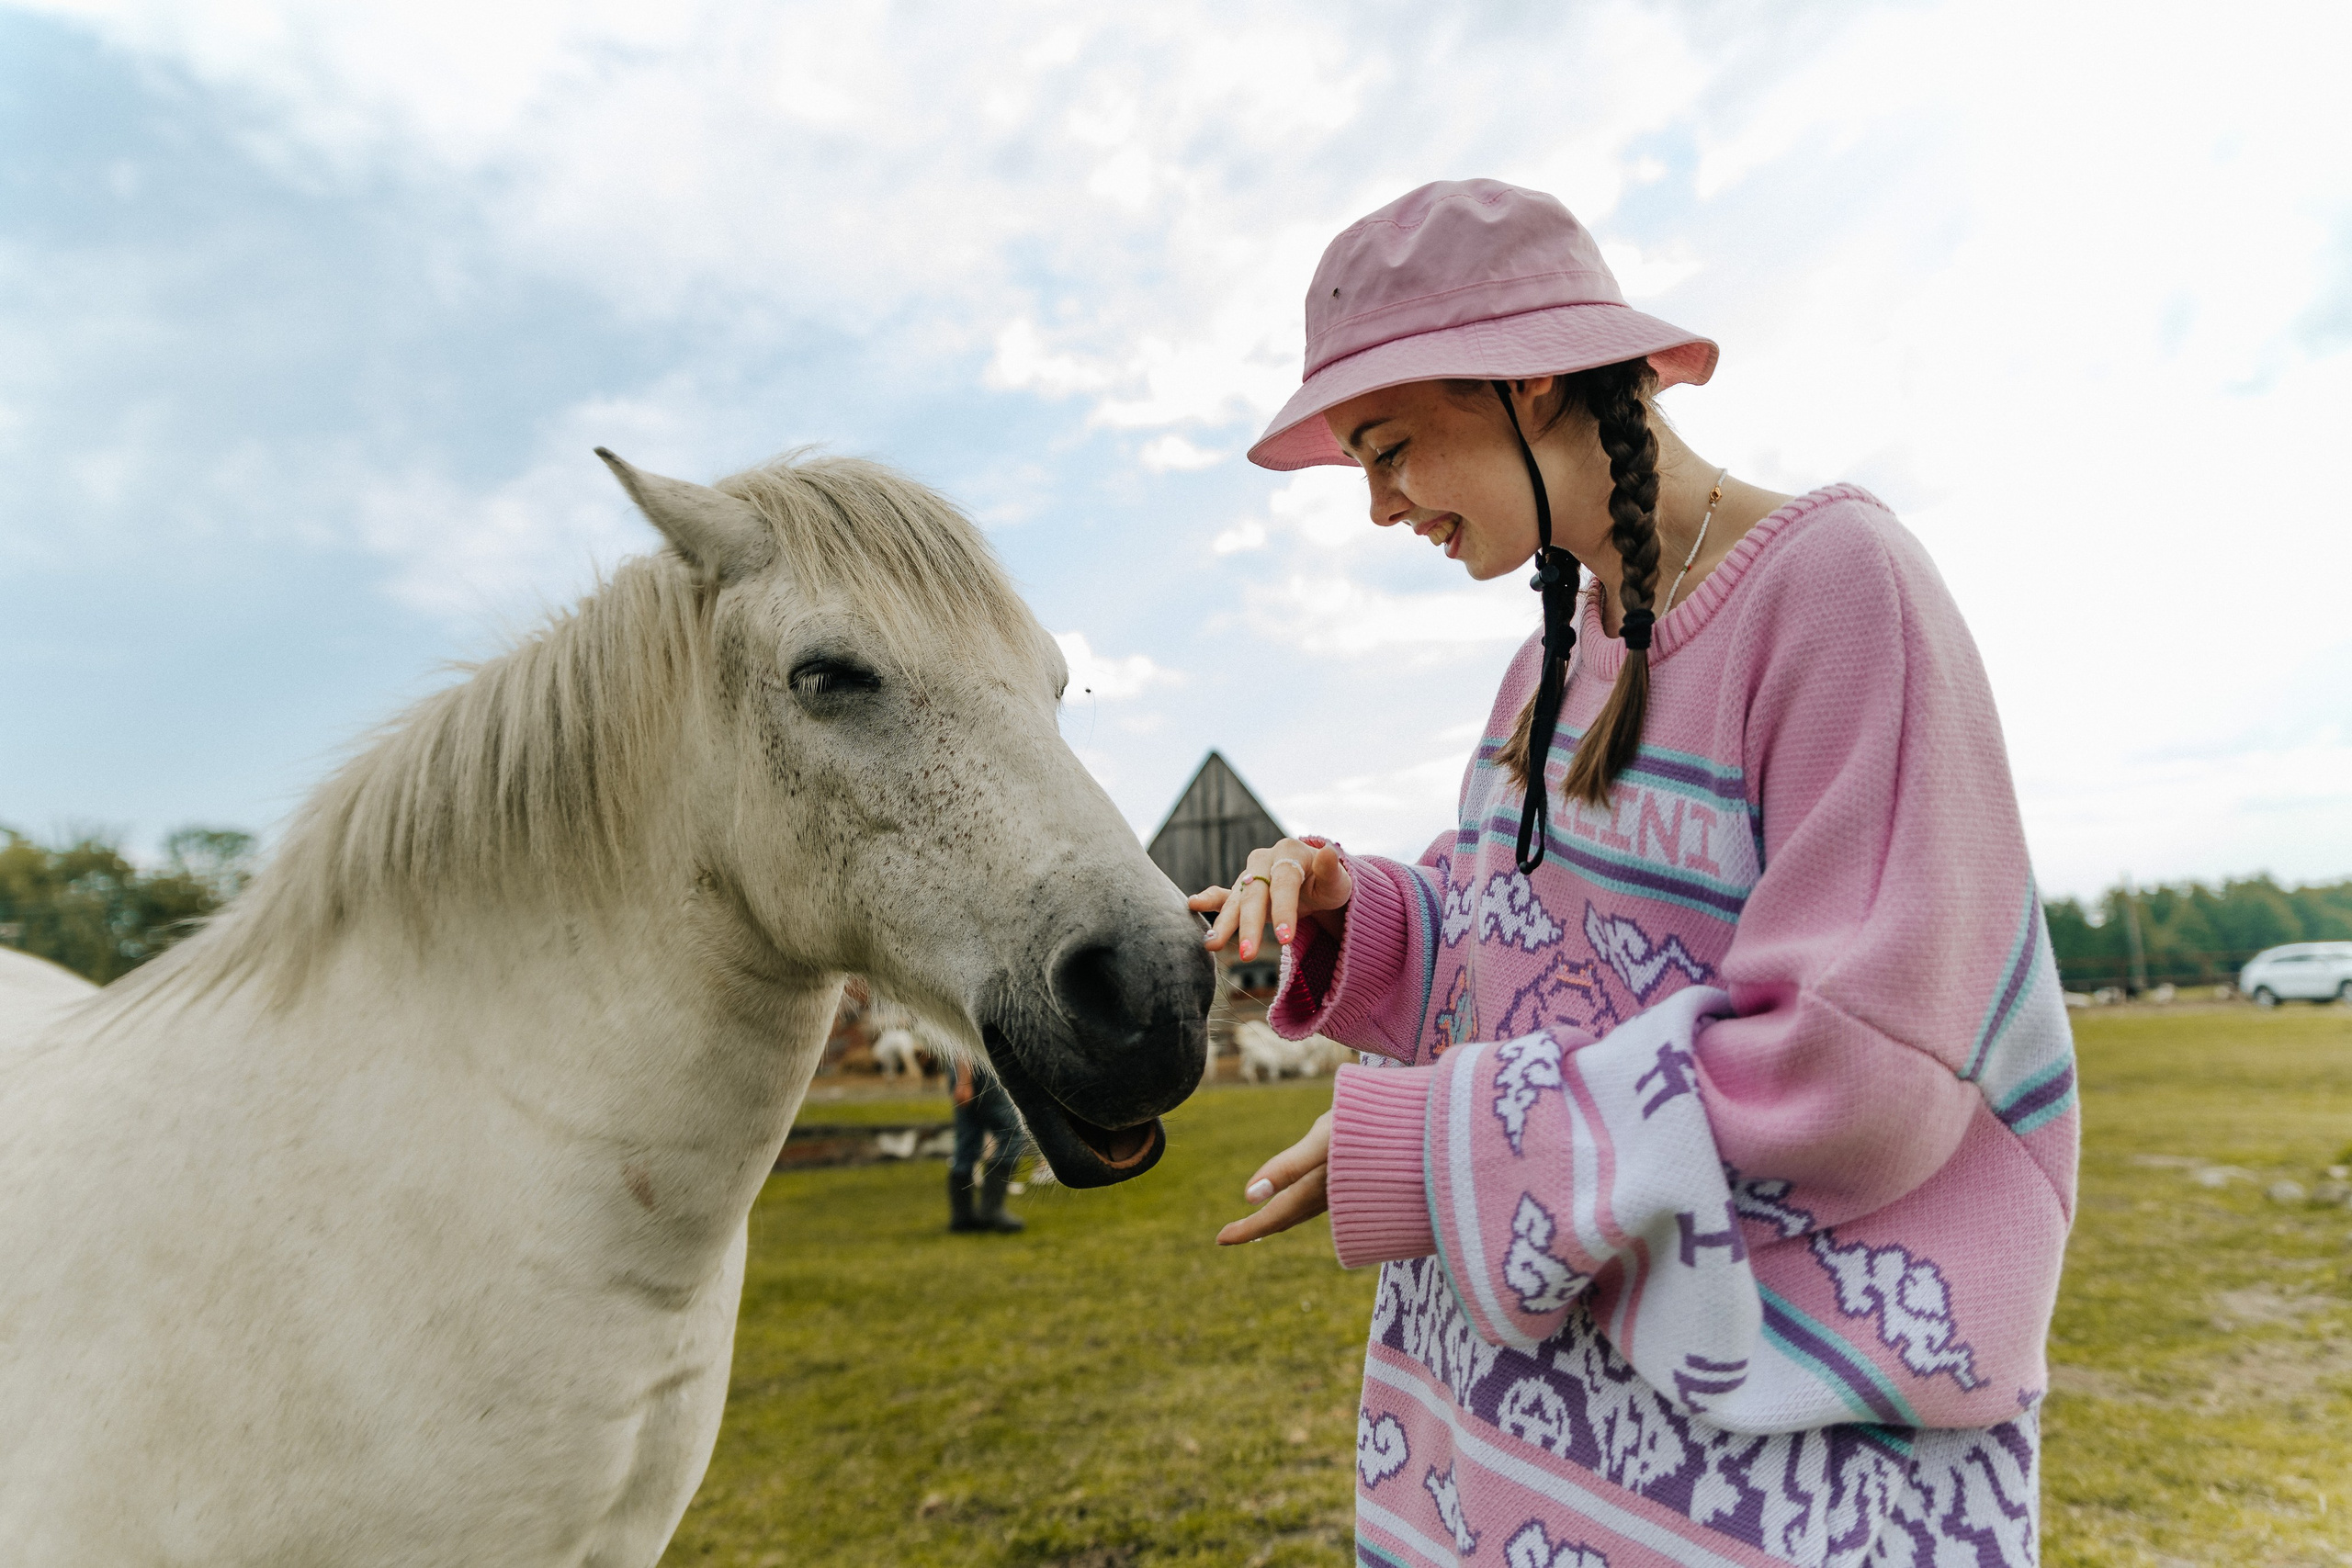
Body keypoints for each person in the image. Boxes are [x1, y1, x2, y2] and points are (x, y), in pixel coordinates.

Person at [1196, 180, 2075, 1567]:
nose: (1374, 506)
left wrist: (1445, 1150)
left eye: (1387, 445)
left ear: (1529, 375)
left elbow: (1862, 1063)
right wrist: (1356, 913)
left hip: (1761, 1484)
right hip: (1517, 1463)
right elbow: (1526, 954)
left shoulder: (1843, 590)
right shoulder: (1545, 659)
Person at [947, 1056, 1027, 1234]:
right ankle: (991, 1209)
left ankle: (962, 1217)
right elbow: (965, 1036)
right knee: (1012, 1133)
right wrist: (965, 1081)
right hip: (977, 1068)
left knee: (968, 1140)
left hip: (961, 1068)